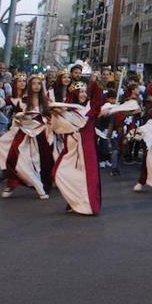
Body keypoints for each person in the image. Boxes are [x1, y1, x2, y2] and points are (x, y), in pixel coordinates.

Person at [49, 79, 103, 216]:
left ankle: (86, 206)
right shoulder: (67, 109)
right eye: (80, 92)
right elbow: (58, 127)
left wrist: (95, 81)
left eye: (85, 91)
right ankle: (74, 200)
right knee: (58, 172)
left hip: (87, 148)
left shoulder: (91, 107)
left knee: (86, 177)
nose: (83, 94)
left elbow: (99, 99)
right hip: (71, 147)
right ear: (75, 93)